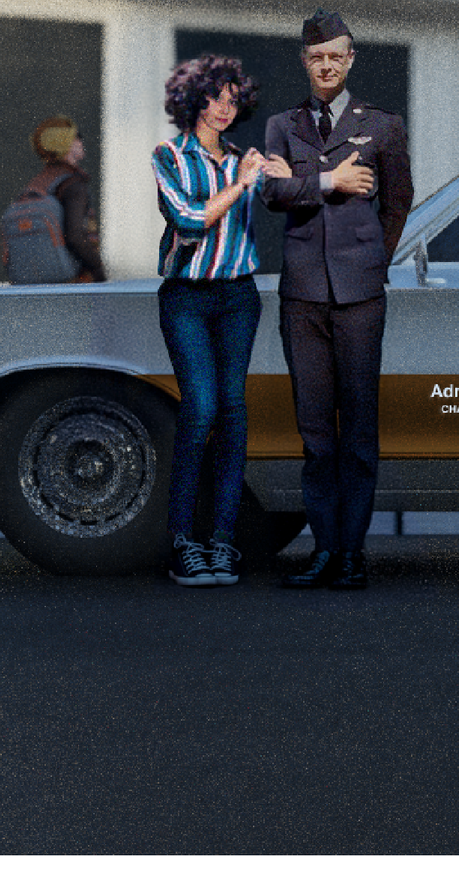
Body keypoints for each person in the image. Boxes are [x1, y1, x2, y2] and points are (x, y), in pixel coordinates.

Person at [263, 10, 414, 591]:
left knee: (357, 428)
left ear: (350, 60)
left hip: (359, 297)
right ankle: (324, 551)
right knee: (314, 434)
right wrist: (330, 183)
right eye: (316, 57)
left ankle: (351, 554)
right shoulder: (283, 126)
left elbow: (398, 201)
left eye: (336, 57)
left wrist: (375, 256)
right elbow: (275, 193)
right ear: (305, 63)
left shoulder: (382, 127)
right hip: (302, 295)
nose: (326, 66)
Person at [150, 55, 291, 586]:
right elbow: (188, 222)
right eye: (216, 97)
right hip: (186, 297)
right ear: (193, 101)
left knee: (233, 412)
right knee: (201, 408)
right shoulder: (170, 155)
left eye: (234, 100)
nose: (225, 108)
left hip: (238, 297)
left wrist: (281, 174)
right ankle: (182, 540)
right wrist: (242, 183)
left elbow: (289, 198)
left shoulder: (242, 159)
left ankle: (222, 541)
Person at [14, 115, 106, 283]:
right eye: (77, 136)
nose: (81, 141)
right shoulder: (73, 184)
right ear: (66, 143)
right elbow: (75, 236)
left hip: (39, 281)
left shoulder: (38, 184)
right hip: (76, 281)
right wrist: (99, 268)